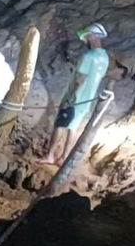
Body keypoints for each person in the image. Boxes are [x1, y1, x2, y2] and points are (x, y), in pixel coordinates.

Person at [42, 23, 110, 165]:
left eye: (87, 36)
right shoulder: (105, 58)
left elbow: (80, 79)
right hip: (88, 99)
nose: (85, 39)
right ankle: (64, 158)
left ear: (92, 36)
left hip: (76, 97)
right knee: (73, 126)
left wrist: (70, 98)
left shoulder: (88, 56)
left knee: (60, 124)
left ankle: (50, 156)